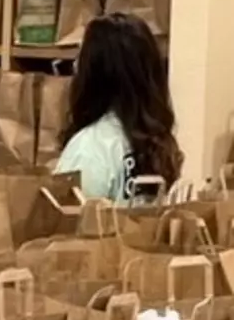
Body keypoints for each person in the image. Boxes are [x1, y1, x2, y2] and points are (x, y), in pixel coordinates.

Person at [55, 12, 182, 202]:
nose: (74, 66)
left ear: (94, 74)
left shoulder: (88, 149)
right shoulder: (158, 145)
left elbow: (66, 225)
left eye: (80, 58)